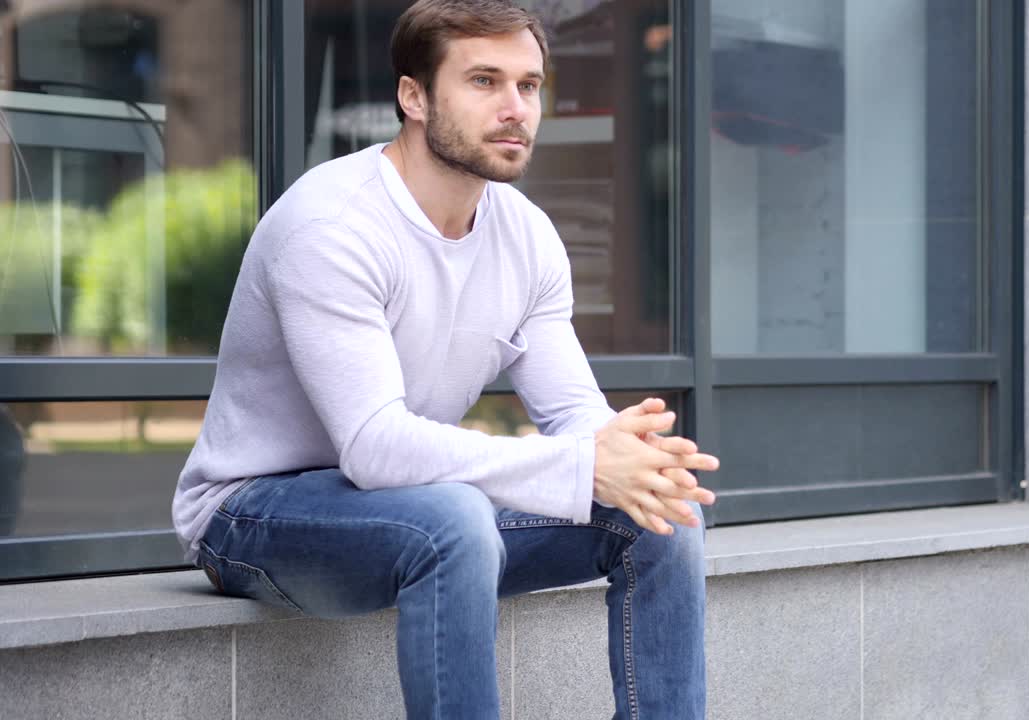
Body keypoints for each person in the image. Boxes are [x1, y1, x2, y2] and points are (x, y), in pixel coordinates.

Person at [170, 1, 718, 718]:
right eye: (484, 81)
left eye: (529, 85)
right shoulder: (333, 225)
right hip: (252, 514)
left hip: (413, 501)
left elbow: (571, 412)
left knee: (662, 513)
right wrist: (583, 465)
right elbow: (373, 446)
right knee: (454, 520)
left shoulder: (527, 235)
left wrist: (624, 453)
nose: (515, 108)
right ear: (414, 97)